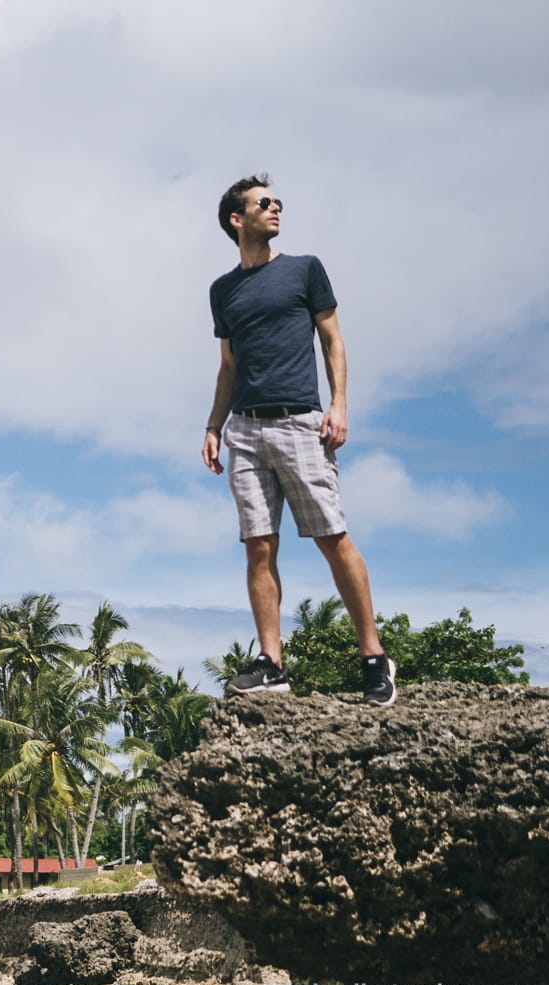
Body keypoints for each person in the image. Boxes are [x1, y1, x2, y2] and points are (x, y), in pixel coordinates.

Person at [201, 173, 396, 706]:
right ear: (237, 219)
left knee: (332, 537)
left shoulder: (304, 269)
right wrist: (214, 426)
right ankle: (272, 664)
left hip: (300, 422)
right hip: (245, 429)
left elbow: (333, 339)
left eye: (277, 202)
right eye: (264, 203)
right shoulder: (222, 291)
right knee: (258, 546)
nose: (275, 209)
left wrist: (339, 404)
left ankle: (374, 657)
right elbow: (228, 366)